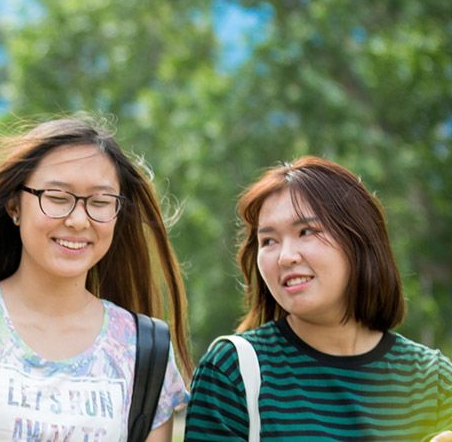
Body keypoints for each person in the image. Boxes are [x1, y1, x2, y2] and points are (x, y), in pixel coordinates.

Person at [0, 116, 191, 441]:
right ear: (15, 205)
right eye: (57, 198)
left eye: (100, 202)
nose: (78, 220)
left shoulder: (145, 350)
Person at [185, 156, 452, 440]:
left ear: (358, 240)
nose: (286, 257)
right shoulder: (230, 373)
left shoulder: (433, 381)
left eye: (306, 231)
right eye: (269, 241)